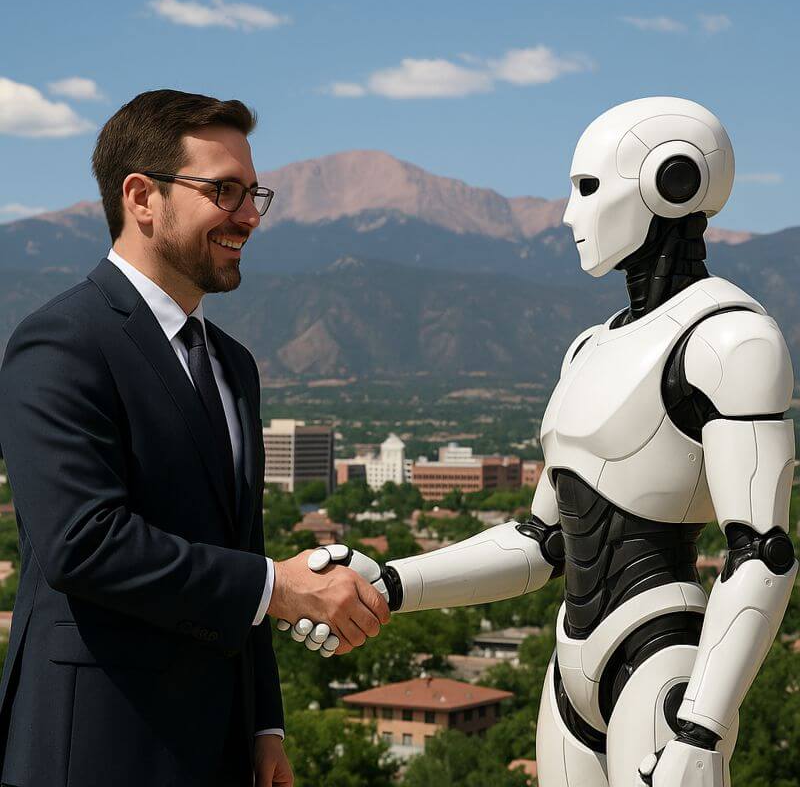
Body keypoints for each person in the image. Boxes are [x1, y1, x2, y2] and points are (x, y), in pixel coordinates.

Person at [282, 98, 798, 787]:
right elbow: (540, 543)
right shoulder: (589, 346)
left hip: (663, 658)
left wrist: (703, 726)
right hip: (569, 669)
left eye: (586, 188)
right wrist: (393, 581)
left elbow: (762, 554)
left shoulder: (732, 341)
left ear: (669, 181)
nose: (566, 213)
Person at [0, 89, 390, 787]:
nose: (248, 216)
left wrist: (263, 724)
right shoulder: (61, 343)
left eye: (253, 193)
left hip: (222, 749)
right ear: (141, 196)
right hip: (96, 746)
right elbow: (83, 544)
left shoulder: (233, 364)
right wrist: (279, 589)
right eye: (224, 191)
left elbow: (242, 547)